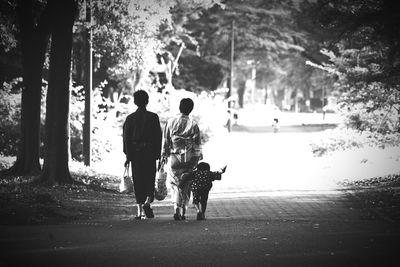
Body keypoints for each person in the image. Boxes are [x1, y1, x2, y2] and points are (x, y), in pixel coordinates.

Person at [123, 90, 162, 220]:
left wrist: (128, 156)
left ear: (135, 102)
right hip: (150, 153)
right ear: (147, 101)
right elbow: (158, 137)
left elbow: (126, 139)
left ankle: (139, 212)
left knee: (138, 181)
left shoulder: (130, 118)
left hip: (136, 154)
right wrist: (158, 155)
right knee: (149, 180)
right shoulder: (153, 117)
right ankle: (147, 202)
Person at [162, 98, 202, 220]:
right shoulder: (193, 125)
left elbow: (166, 141)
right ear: (191, 109)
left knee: (174, 184)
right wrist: (198, 158)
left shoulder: (170, 122)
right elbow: (197, 144)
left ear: (180, 108)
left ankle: (176, 209)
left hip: (174, 158)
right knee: (186, 184)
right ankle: (184, 212)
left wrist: (164, 155)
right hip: (188, 159)